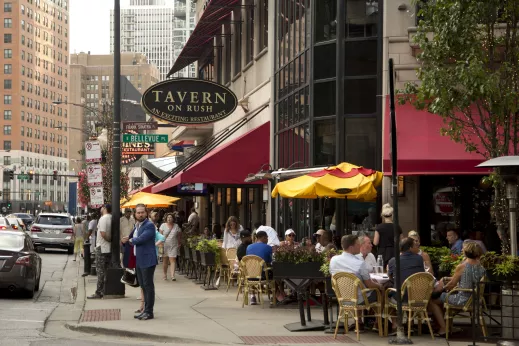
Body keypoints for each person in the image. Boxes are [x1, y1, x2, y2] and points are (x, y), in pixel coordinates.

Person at [430, 242, 486, 337]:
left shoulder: (462, 266)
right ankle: (446, 326)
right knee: (442, 298)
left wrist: (441, 289)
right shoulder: (481, 266)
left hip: (462, 299)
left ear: (466, 252)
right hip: (475, 299)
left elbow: (452, 285)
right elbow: (465, 279)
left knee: (433, 300)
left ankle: (444, 328)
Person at [329, 234, 383, 332]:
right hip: (359, 299)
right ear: (351, 247)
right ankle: (378, 323)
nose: (360, 246)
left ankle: (359, 323)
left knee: (360, 290)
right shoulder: (359, 264)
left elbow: (334, 276)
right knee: (382, 292)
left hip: (342, 298)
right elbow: (369, 285)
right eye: (358, 244)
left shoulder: (334, 260)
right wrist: (380, 286)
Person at [124, 204, 158, 320]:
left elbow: (141, 239)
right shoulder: (137, 225)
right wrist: (127, 239)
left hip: (148, 260)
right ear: (135, 214)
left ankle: (149, 312)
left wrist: (131, 240)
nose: (140, 214)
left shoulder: (149, 225)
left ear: (146, 213)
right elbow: (133, 237)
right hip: (139, 259)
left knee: (148, 286)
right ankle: (145, 310)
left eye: (142, 212)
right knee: (143, 286)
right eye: (138, 213)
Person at [88, 204, 112, 299]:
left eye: (102, 207)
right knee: (106, 270)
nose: (100, 209)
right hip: (108, 248)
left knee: (100, 271)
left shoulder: (103, 218)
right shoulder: (111, 217)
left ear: (105, 208)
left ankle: (99, 292)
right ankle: (104, 290)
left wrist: (108, 239)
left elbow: (102, 233)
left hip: (101, 247)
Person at [245, 231, 273, 305]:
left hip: (249, 275)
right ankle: (276, 296)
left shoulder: (248, 247)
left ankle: (252, 296)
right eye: (267, 238)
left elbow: (248, 259)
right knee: (275, 274)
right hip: (263, 276)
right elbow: (270, 261)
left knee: (254, 271)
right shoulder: (268, 248)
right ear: (263, 238)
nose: (267, 240)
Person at [160, 213, 181, 281]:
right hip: (165, 245)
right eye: (168, 217)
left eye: (171, 217)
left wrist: (179, 243)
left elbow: (179, 235)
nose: (169, 218)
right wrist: (160, 244)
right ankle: (165, 274)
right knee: (165, 260)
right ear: (166, 218)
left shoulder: (176, 226)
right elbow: (160, 236)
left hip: (173, 245)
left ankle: (172, 275)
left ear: (173, 219)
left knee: (173, 260)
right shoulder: (163, 225)